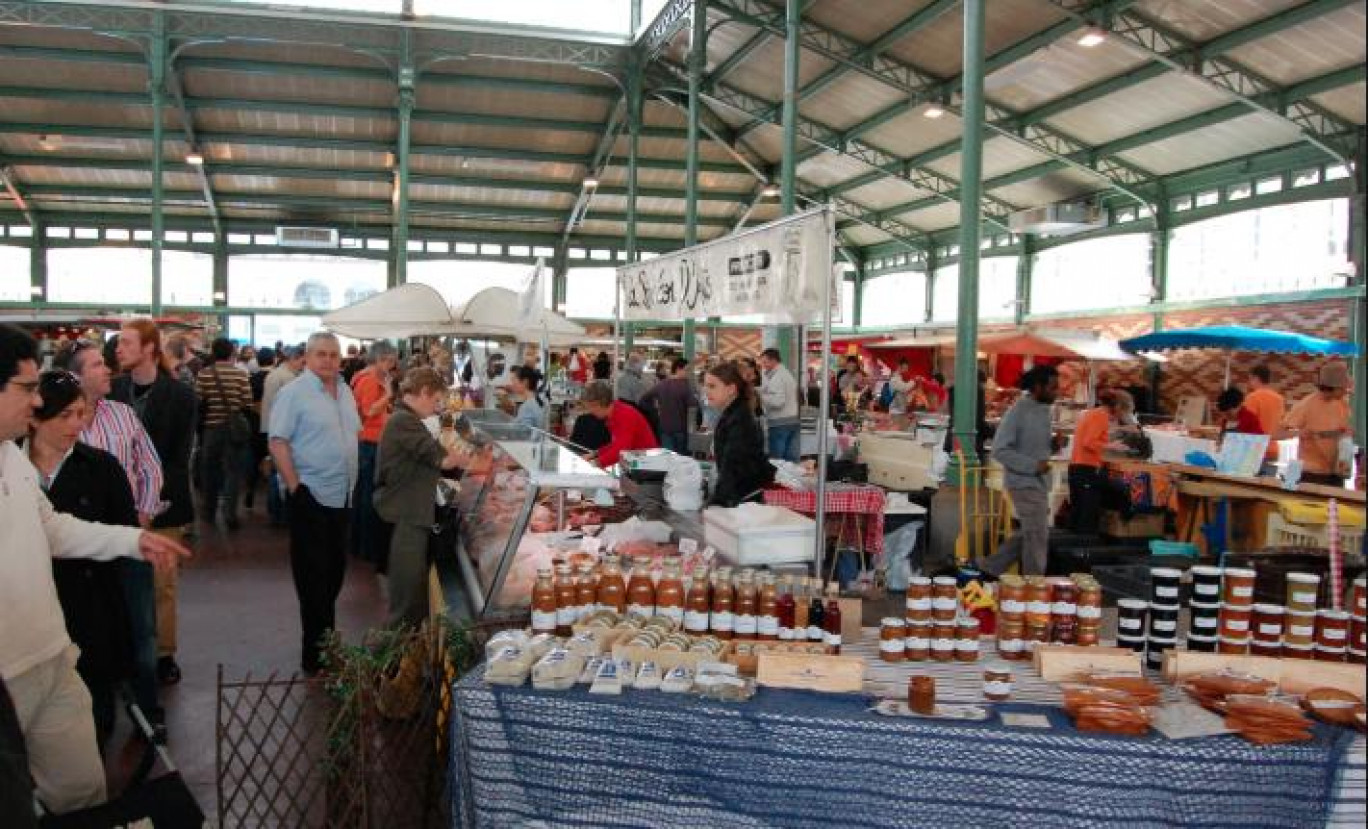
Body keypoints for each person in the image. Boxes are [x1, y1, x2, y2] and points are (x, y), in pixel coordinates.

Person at [0, 324, 188, 815]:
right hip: (7, 675)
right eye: (25, 389)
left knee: (83, 791)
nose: (35, 403)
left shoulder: (9, 459)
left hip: (53, 657)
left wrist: (131, 539)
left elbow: (53, 527)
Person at [52, 339, 167, 736]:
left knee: (141, 626)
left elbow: (150, 466)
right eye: (98, 364)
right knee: (87, 628)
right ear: (76, 376)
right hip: (76, 552)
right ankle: (91, 714)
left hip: (129, 540)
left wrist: (144, 517)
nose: (108, 370)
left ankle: (147, 710)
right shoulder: (57, 424)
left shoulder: (123, 415)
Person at [25, 371, 137, 748]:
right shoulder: (14, 469)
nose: (78, 424)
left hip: (92, 611)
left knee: (94, 718)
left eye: (81, 413)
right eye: (65, 416)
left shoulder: (102, 468)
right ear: (36, 419)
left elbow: (124, 529)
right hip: (31, 617)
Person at [111, 319, 198, 689]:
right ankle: (132, 650)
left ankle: (164, 654)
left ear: (149, 348)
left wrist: (150, 498)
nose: (118, 349)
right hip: (117, 504)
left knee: (162, 583)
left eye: (127, 343)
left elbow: (178, 459)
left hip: (163, 503)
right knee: (122, 581)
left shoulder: (179, 396)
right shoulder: (113, 391)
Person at [269, 332, 362, 674]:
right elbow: (278, 442)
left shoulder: (346, 392)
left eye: (333, 355)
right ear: (307, 358)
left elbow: (352, 434)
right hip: (311, 496)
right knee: (313, 578)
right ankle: (316, 654)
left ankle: (327, 642)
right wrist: (296, 488)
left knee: (334, 573)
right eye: (320, 354)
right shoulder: (293, 394)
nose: (328, 360)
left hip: (342, 495)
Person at [373, 368, 467, 628]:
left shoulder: (407, 418)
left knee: (413, 597)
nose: (437, 407)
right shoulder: (403, 420)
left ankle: (405, 656)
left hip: (411, 511)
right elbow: (444, 460)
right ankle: (390, 664)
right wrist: (469, 457)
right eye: (436, 400)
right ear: (424, 392)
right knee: (405, 603)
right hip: (406, 515)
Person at [982, 366, 1061, 577]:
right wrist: (1033, 466)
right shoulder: (1018, 411)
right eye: (1053, 388)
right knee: (1037, 537)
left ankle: (989, 567)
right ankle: (1034, 586)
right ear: (1037, 387)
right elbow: (1000, 450)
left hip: (1039, 482)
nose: (1057, 392)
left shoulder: (1043, 410)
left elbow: (1033, 447)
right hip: (1024, 482)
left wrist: (1054, 445)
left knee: (1029, 533)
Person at [196, 337, 253, 529]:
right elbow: (247, 401)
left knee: (210, 471)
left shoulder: (204, 374)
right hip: (234, 429)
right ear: (231, 353)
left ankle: (209, 511)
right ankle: (230, 514)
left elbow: (198, 400)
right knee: (233, 472)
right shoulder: (240, 375)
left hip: (212, 429)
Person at [351, 341, 398, 568]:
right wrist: (388, 394)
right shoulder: (369, 380)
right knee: (368, 496)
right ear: (380, 359)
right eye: (390, 361)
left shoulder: (367, 377)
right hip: (369, 443)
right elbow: (368, 411)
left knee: (365, 494)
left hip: (370, 442)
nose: (392, 366)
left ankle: (360, 544)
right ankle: (366, 546)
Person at [703, 362, 776, 507]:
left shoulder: (739, 419)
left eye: (712, 386)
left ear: (731, 389)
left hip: (742, 500)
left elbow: (733, 467)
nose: (706, 391)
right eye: (705, 385)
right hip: (742, 496)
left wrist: (718, 502)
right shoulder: (733, 414)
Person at [1067, 389, 1134, 534]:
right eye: (1123, 412)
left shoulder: (1092, 414)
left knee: (1079, 512)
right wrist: (1112, 445)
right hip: (1086, 470)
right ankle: (1125, 524)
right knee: (1087, 516)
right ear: (1117, 407)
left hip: (1078, 468)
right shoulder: (1100, 416)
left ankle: (1075, 547)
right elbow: (1088, 442)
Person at [1282, 361, 1353, 487]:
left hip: (1336, 473)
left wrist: (1346, 434)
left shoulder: (1342, 404)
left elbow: (1344, 429)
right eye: (1344, 388)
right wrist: (1298, 432)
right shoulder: (1306, 405)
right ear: (1335, 387)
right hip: (1310, 474)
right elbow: (1276, 432)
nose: (1346, 392)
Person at [262, 345, 304, 525]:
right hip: (284, 432)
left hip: (274, 430)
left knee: (277, 473)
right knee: (282, 475)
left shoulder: (274, 375)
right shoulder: (287, 378)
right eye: (303, 361)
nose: (304, 365)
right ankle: (281, 513)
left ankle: (276, 512)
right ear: (294, 359)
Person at [578, 380, 657, 468]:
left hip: (646, 465)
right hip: (637, 463)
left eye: (589, 407)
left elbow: (621, 450)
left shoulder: (624, 415)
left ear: (597, 404)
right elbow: (617, 444)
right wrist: (595, 454)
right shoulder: (616, 412)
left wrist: (595, 463)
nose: (590, 412)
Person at [641, 358, 694, 454]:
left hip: (664, 428)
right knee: (681, 460)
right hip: (680, 429)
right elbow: (693, 405)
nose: (688, 373)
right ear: (678, 369)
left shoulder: (661, 384)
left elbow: (643, 400)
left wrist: (654, 411)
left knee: (668, 459)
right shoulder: (685, 386)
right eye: (686, 370)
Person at [757, 348, 800, 462]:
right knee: (790, 460)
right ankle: (791, 480)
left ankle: (779, 480)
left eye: (765, 362)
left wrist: (760, 397)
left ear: (774, 361)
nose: (763, 365)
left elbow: (778, 402)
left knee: (777, 461)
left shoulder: (777, 377)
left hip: (780, 423)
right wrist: (760, 390)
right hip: (792, 420)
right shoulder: (785, 374)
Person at [1244, 365, 1285, 465]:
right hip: (1273, 450)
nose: (1249, 383)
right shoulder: (1279, 399)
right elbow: (1280, 424)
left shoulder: (1252, 397)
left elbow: (1247, 426)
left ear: (1256, 378)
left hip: (1255, 450)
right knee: (1268, 480)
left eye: (1250, 379)